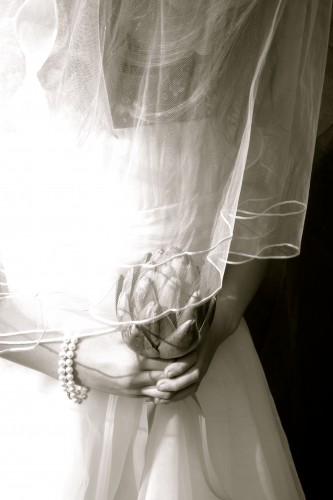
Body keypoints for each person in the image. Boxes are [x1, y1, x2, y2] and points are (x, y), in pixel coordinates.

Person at [0, 1, 331, 499]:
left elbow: (258, 210)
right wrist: (74, 359)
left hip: (198, 380)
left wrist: (215, 330)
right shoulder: (25, 24)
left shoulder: (251, 20)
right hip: (39, 386)